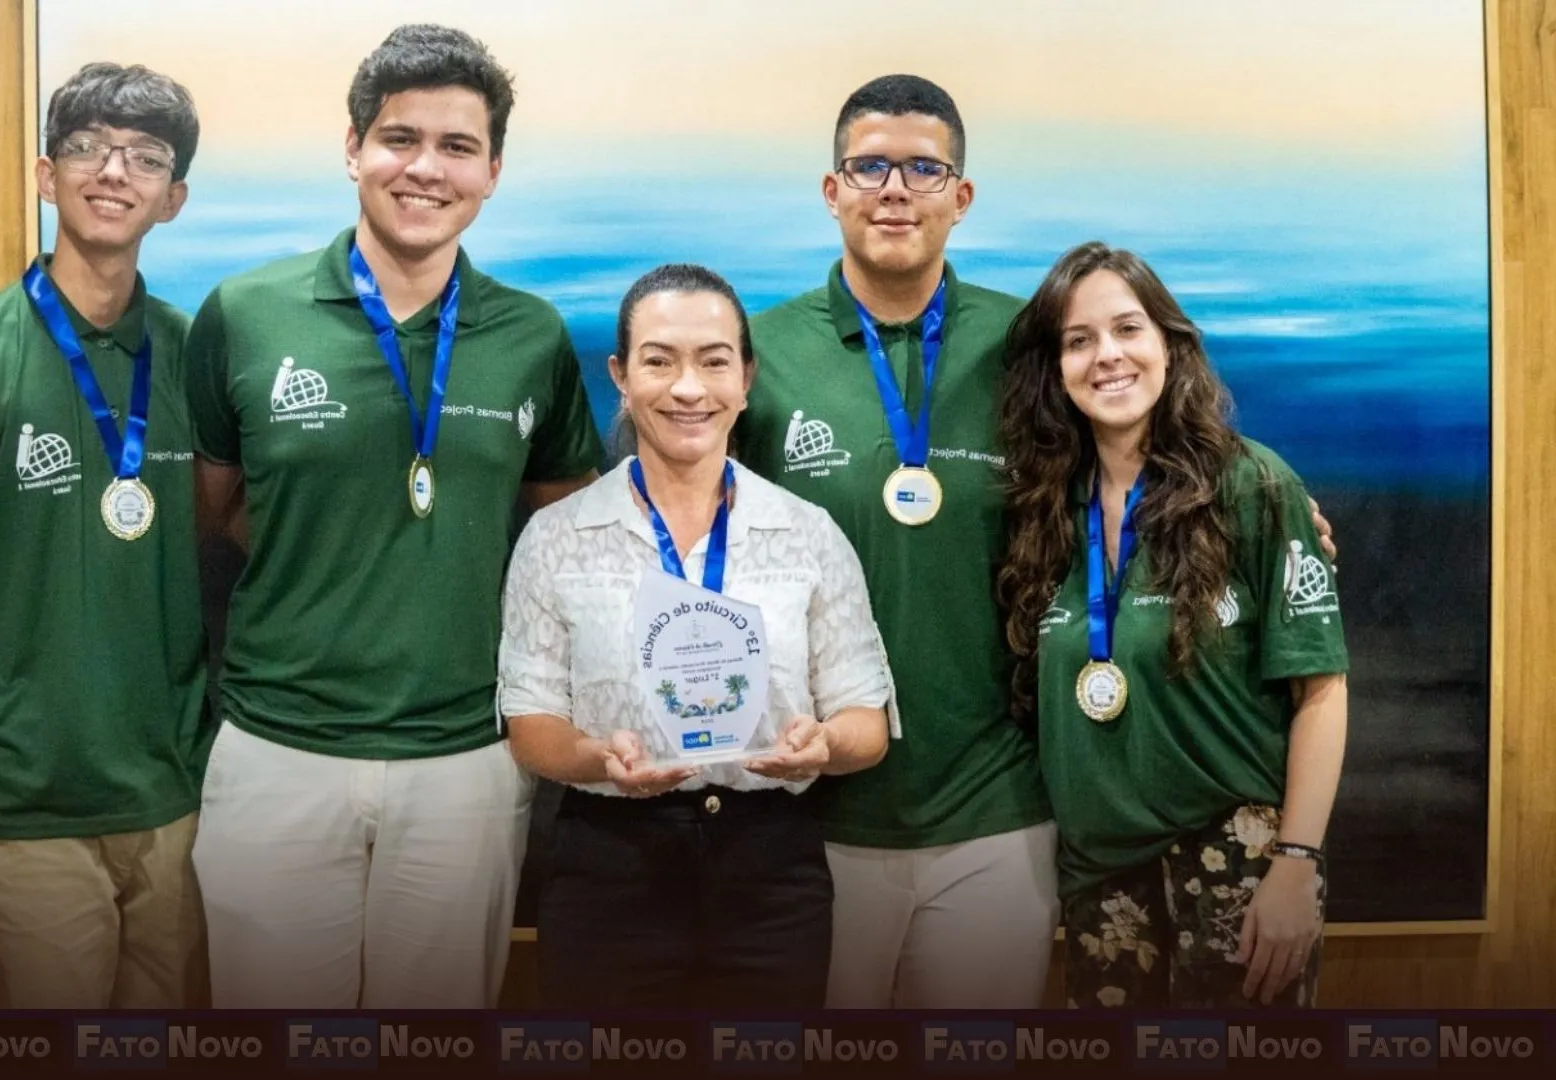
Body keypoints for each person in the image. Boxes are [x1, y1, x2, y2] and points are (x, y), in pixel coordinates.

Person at [183, 24, 604, 1008]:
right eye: (399, 138)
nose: (426, 168)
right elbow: (219, 503)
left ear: (493, 171)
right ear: (352, 149)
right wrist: (343, 554)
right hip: (277, 751)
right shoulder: (245, 313)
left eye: (458, 147)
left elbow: (562, 534)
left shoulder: (530, 335)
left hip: (465, 759)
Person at [0, 62, 210, 1007]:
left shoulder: (198, 356)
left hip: (179, 806)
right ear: (46, 175)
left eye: (144, 157)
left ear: (172, 199)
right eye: (88, 148)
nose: (113, 171)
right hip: (24, 813)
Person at [736, 74, 1060, 1008]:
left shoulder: (1031, 342)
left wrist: (1264, 499)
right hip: (805, 811)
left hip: (995, 807)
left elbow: (1142, 439)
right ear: (831, 189)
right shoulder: (756, 353)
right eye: (869, 165)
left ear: (960, 197)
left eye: (924, 168)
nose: (894, 189)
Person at [498, 264, 896, 1008]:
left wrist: (825, 746)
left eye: (714, 360)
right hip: (608, 870)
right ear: (620, 374)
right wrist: (594, 756)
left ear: (746, 377)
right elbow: (530, 725)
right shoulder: (558, 537)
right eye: (659, 360)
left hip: (771, 872)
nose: (688, 388)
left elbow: (866, 722)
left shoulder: (807, 534)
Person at [996, 242, 1348, 1009]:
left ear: (1169, 343)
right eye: (1078, 340)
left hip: (1241, 860)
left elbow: (1321, 688)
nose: (1107, 356)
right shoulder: (1042, 514)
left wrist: (1297, 860)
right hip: (1099, 872)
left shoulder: (1254, 484)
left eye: (1128, 329)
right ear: (1054, 367)